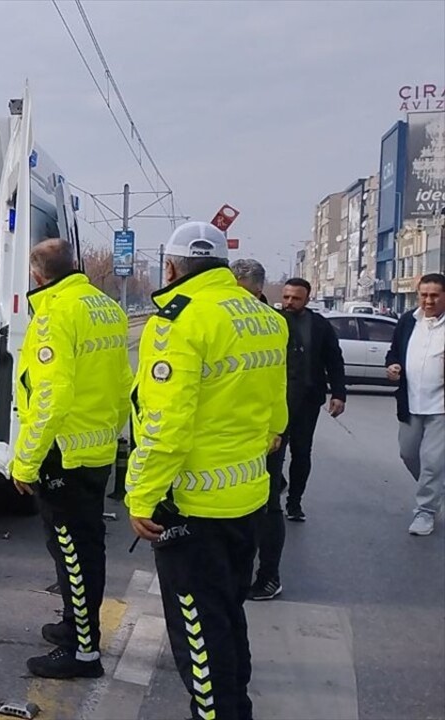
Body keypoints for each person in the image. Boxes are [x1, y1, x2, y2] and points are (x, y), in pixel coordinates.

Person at [126, 222, 287, 720]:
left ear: (171, 268)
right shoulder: (265, 319)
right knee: (228, 614)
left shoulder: (178, 322)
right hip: (246, 498)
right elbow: (276, 418)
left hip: (190, 506)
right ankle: (237, 706)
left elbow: (164, 424)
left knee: (199, 632)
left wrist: (141, 495)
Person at [11, 239, 130, 679]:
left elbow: (50, 396)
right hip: (94, 451)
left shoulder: (55, 314)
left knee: (72, 555)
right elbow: (123, 386)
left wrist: (25, 461)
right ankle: (74, 626)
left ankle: (83, 651)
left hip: (63, 455)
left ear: (39, 275)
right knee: (87, 547)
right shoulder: (106, 308)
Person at [231, 260, 289, 601]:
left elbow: (285, 381)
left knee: (266, 506)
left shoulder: (272, 323)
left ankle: (268, 575)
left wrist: (278, 428)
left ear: (254, 288)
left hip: (267, 431)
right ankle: (239, 574)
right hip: (239, 428)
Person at [275, 277, 346, 522]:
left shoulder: (319, 325)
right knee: (272, 452)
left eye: (295, 298)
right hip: (276, 402)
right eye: (286, 297)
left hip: (307, 400)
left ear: (307, 298)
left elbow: (334, 359)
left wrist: (338, 394)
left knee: (302, 453)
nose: (289, 302)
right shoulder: (272, 321)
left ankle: (294, 502)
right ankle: (273, 495)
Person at [385, 273, 445, 536]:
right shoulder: (408, 321)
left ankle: (425, 512)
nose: (428, 300)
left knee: (432, 460)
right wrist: (392, 366)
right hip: (411, 402)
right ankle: (436, 488)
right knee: (408, 454)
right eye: (424, 295)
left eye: (434, 295)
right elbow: (394, 352)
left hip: (440, 407)